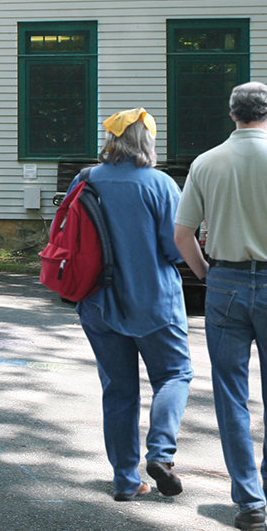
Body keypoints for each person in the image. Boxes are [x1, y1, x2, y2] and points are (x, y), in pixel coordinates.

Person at [173, 81, 267, 531]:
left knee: (231, 396)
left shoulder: (206, 163)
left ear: (232, 115)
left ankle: (248, 502)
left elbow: (183, 236)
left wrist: (205, 274)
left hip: (226, 284)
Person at [68, 109, 192, 503]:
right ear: (147, 142)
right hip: (155, 302)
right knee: (174, 375)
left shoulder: (84, 179)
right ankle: (161, 454)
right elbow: (175, 250)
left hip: (98, 302)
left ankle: (126, 480)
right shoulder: (161, 185)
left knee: (119, 391)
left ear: (112, 140)